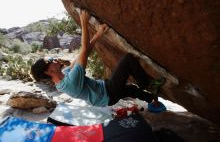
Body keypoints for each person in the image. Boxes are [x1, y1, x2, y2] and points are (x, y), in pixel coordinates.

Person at [31, 10, 165, 107]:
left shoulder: (63, 75)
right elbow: (84, 51)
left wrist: (98, 34)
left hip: (103, 90)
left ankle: (152, 100)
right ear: (48, 71)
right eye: (49, 61)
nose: (54, 59)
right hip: (107, 95)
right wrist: (84, 22)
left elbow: (81, 55)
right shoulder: (69, 84)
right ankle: (148, 85)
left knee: (130, 90)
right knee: (128, 60)